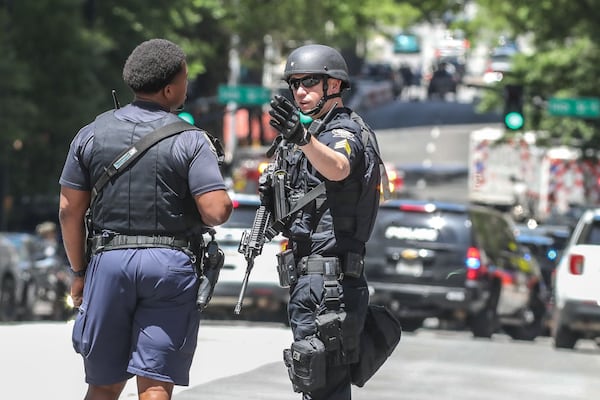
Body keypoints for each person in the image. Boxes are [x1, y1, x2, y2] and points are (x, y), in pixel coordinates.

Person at [58, 38, 232, 400]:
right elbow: (215, 212)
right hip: (169, 267)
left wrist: (79, 273)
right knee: (154, 385)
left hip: (108, 263)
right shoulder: (192, 141)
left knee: (103, 385)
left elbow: (68, 209)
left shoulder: (90, 134)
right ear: (170, 89)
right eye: (184, 79)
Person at [268, 44, 382, 400]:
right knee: (316, 385)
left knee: (322, 383)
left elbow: (338, 167)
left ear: (334, 85)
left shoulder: (342, 131)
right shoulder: (316, 132)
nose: (300, 92)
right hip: (313, 281)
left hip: (330, 286)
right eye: (295, 83)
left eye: (310, 82)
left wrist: (302, 138)